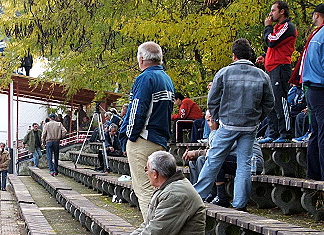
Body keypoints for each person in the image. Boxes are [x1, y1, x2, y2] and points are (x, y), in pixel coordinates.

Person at [194, 39, 274, 211]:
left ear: (234, 56)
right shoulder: (262, 75)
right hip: (250, 126)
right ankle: (240, 203)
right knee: (244, 164)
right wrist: (258, 118)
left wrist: (216, 117)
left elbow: (212, 99)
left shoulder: (224, 73)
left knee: (213, 160)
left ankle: (198, 196)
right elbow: (269, 102)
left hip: (228, 124)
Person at [118, 41, 175, 220]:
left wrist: (129, 135)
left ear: (141, 59)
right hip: (160, 140)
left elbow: (137, 110)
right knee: (158, 189)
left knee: (144, 190)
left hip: (143, 140)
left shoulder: (145, 79)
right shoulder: (167, 79)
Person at [257, 1, 297, 144]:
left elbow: (272, 41)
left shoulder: (288, 26)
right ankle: (272, 132)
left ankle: (285, 132)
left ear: (282, 12)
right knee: (271, 102)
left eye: (273, 10)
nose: (270, 14)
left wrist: (267, 27)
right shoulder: (277, 27)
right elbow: (274, 47)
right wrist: (266, 57)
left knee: (280, 101)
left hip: (281, 68)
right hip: (271, 68)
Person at [303, 4, 324, 180]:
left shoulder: (314, 36)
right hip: (321, 87)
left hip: (311, 87)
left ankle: (314, 174)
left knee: (316, 132)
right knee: (322, 133)